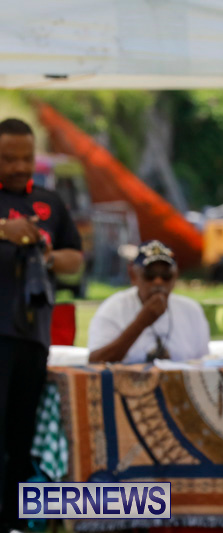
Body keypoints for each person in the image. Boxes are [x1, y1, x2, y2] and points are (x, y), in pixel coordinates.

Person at [0, 118, 83, 532]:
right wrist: (5, 230)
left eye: (26, 158)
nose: (19, 166)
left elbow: (76, 260)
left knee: (21, 435)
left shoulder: (50, 201)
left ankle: (15, 523)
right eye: (8, 159)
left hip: (33, 336)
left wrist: (46, 255)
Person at [88, 240, 210, 363]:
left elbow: (203, 362)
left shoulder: (191, 310)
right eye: (149, 275)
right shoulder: (113, 308)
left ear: (175, 276)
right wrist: (140, 323)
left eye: (166, 275)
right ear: (133, 276)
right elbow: (95, 362)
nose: (158, 282)